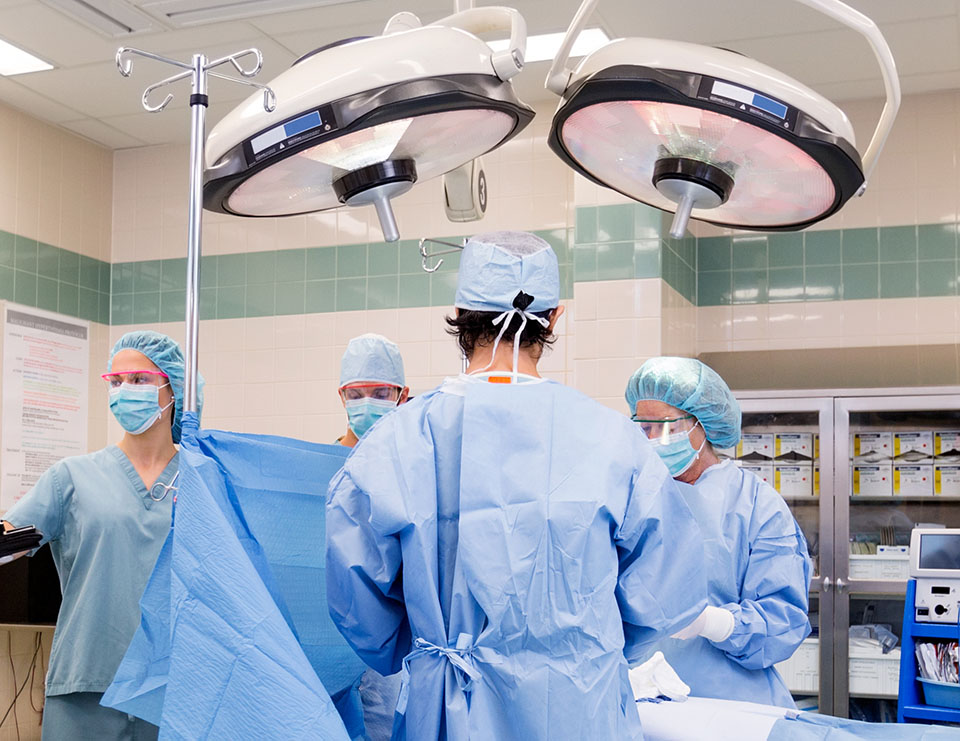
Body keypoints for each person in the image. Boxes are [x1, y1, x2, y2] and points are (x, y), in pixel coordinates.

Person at [325, 231, 707, 740]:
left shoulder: (395, 441)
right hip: (581, 711)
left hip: (447, 710)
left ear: (460, 314)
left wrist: (423, 648)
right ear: (554, 318)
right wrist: (580, 653)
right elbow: (663, 593)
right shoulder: (614, 441)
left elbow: (360, 605)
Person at [1, 330, 202, 741]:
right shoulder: (70, 479)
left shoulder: (203, 481)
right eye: (116, 381)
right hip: (84, 685)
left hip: (174, 686)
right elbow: (11, 541)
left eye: (140, 380)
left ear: (173, 389)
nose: (125, 390)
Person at [625, 356, 811, 709]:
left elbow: (782, 620)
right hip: (643, 703)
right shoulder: (632, 499)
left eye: (661, 427)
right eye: (641, 428)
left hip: (733, 703)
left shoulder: (756, 504)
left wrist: (711, 623)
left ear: (701, 426)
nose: (650, 440)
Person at [334, 333, 409, 740]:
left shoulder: (414, 470)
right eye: (356, 392)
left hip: (395, 656)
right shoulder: (322, 471)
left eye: (381, 392)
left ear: (402, 394)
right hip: (332, 647)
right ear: (341, 396)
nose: (367, 402)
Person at [336, 333, 410, 447]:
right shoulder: (324, 462)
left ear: (403, 396)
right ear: (342, 397)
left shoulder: (408, 459)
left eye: (381, 395)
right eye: (355, 396)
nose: (367, 407)